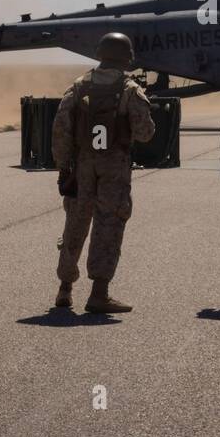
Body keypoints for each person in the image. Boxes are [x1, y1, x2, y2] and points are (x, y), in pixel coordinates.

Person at [51, 32, 155, 313]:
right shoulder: (131, 89)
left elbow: (61, 130)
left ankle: (64, 289)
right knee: (108, 224)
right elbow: (145, 134)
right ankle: (99, 293)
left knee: (75, 224)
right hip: (114, 166)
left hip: (82, 163)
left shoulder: (79, 85)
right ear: (127, 58)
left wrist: (63, 167)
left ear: (100, 54)